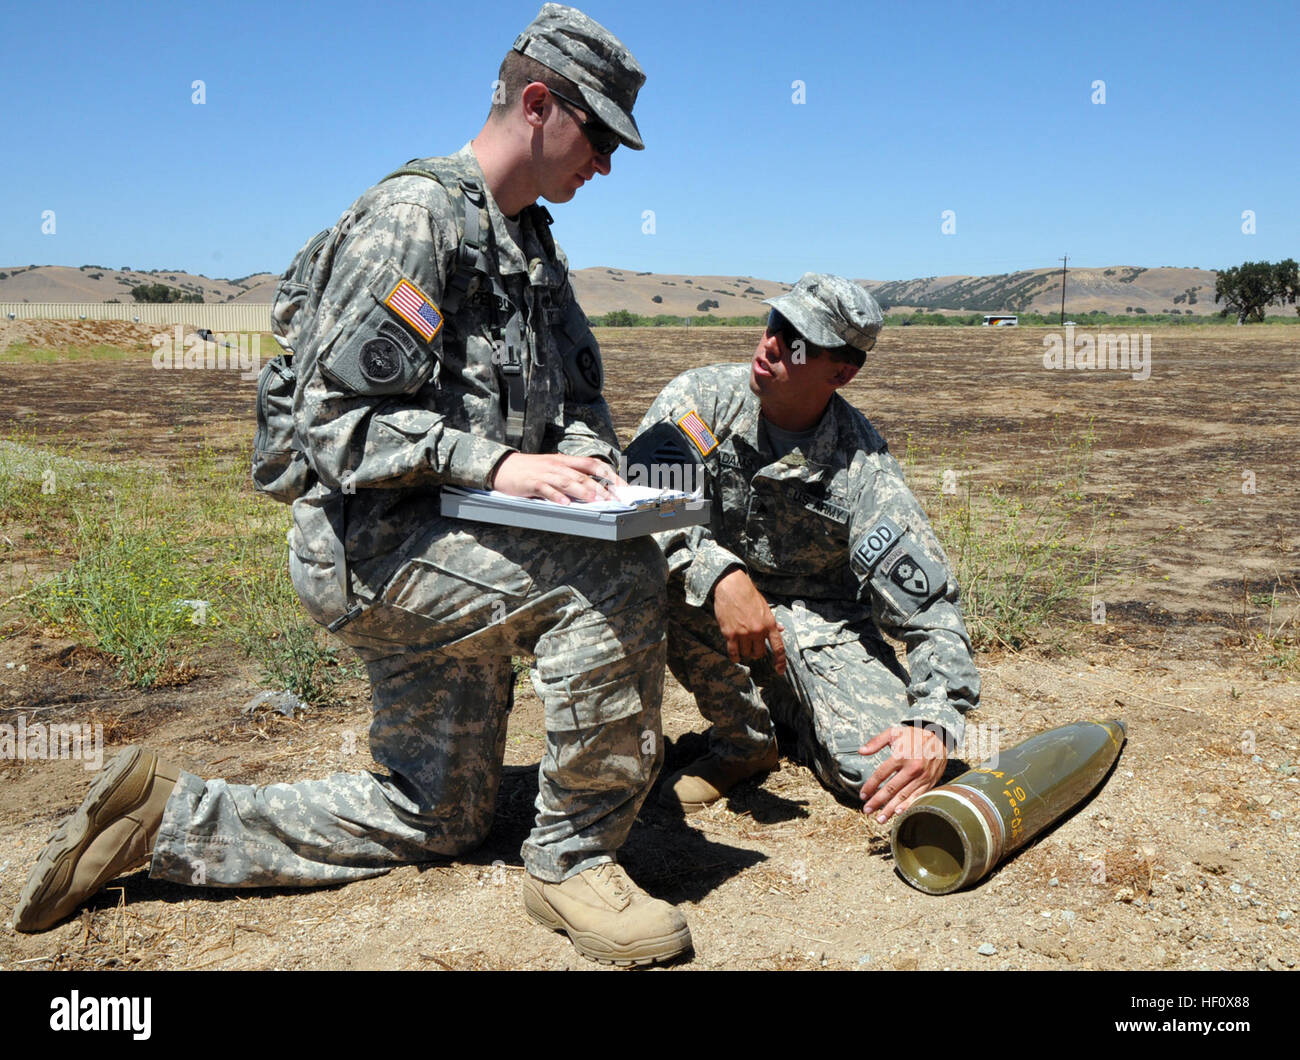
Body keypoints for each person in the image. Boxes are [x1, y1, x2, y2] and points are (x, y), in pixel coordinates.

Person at [14, 4, 692, 968]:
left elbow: (580, 397)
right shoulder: (413, 221)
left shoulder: (533, 246)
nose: (609, 166)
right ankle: (574, 862)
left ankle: (162, 824)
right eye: (600, 137)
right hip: (377, 551)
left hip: (467, 546)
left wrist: (585, 462)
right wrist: (496, 464)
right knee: (610, 581)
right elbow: (337, 425)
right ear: (538, 104)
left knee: (441, 815)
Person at [629, 274, 981, 821]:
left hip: (821, 632)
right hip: (710, 613)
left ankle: (795, 718)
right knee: (645, 570)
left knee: (884, 776)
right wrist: (720, 575)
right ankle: (744, 743)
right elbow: (643, 502)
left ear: (841, 372)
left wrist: (933, 721)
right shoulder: (700, 403)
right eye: (774, 324)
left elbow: (932, 611)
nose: (770, 344)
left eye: (798, 342)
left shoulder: (864, 468)